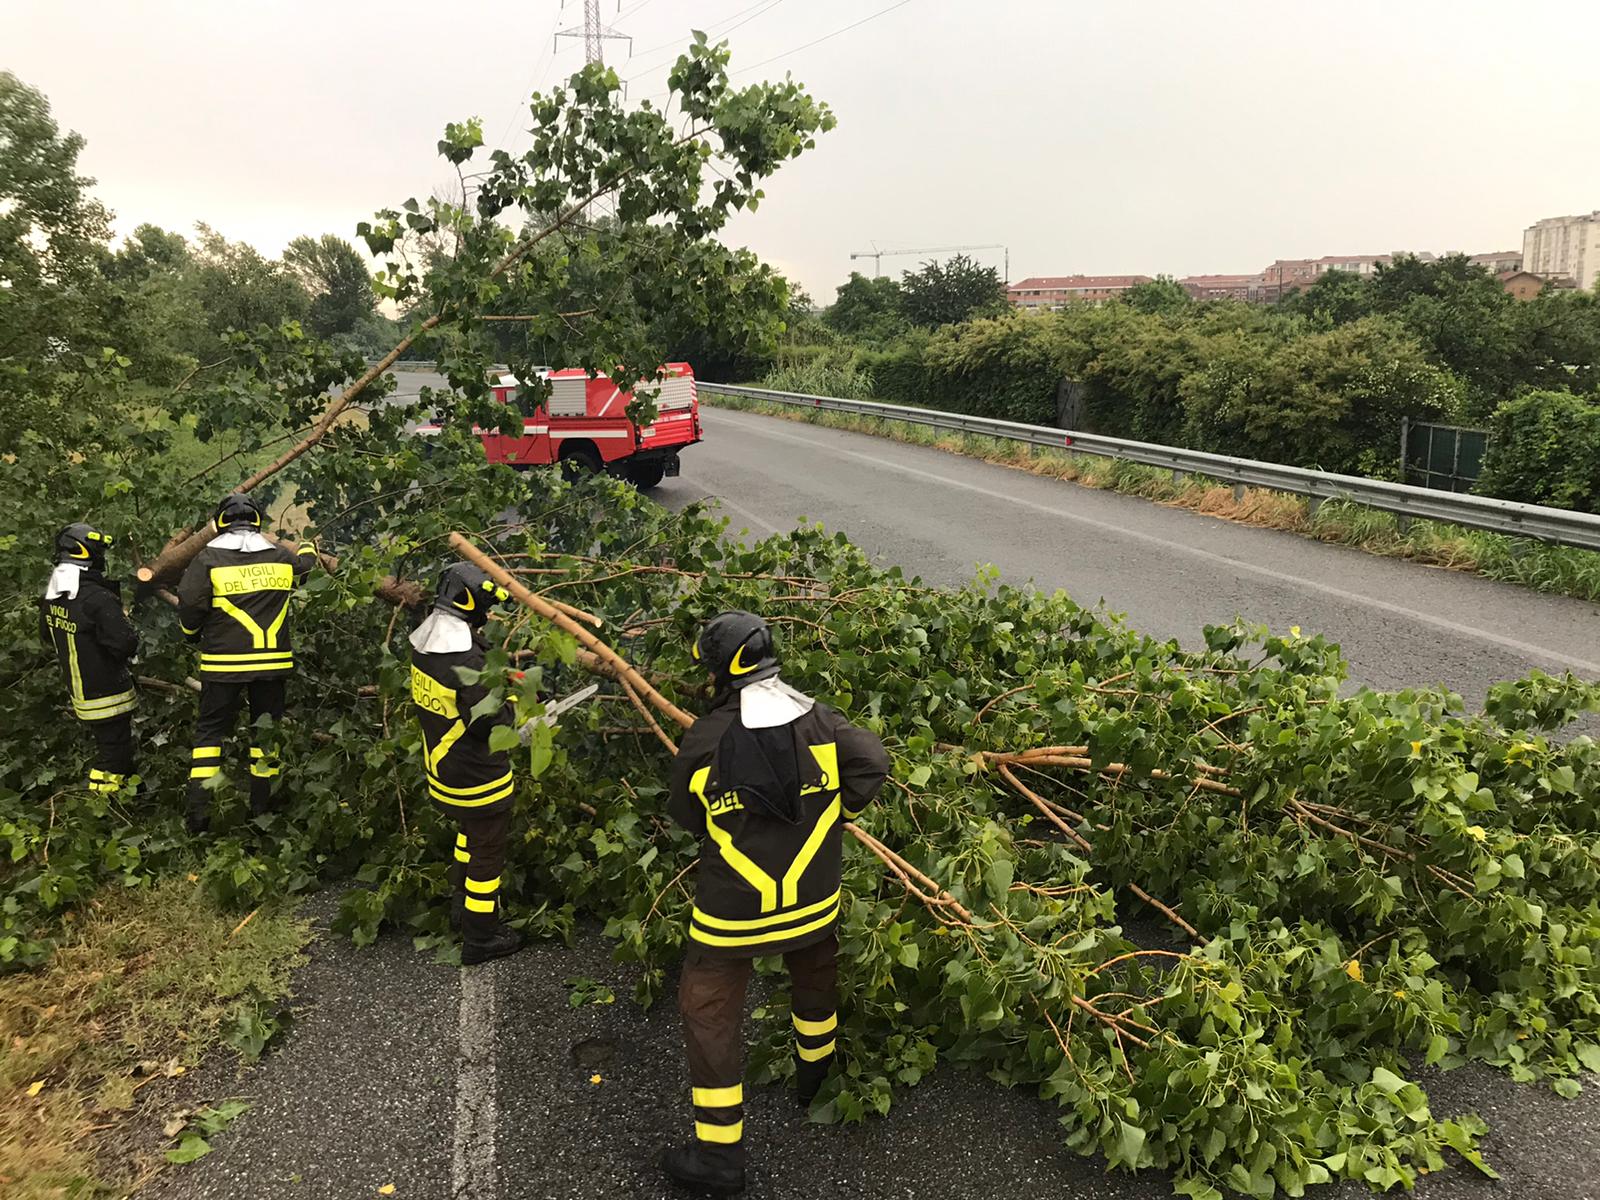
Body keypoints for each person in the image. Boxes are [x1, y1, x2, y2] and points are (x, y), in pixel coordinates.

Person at [663, 611, 890, 1196]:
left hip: (731, 914)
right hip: (813, 903)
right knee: (814, 978)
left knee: (708, 1008)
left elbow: (687, 814)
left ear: (719, 669)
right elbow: (872, 762)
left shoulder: (708, 739)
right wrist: (833, 809)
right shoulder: (819, 720)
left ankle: (718, 1157)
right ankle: (816, 1079)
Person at [176, 493, 317, 832]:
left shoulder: (207, 558)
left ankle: (199, 817)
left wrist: (190, 633)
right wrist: (309, 546)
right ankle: (262, 814)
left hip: (223, 665)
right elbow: (307, 570)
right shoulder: (281, 556)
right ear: (257, 521)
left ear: (220, 523)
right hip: (272, 666)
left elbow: (190, 604)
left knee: (210, 736)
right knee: (266, 738)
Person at [409, 563, 526, 966]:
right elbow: (490, 725)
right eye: (485, 608)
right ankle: (481, 935)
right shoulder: (468, 663)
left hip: (444, 772)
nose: (487, 617)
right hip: (478, 778)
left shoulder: (424, 646)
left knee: (468, 837)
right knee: (486, 856)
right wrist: (512, 707)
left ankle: (460, 908)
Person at [40, 523, 141, 793]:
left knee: (114, 748)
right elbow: (125, 642)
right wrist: (124, 621)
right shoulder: (96, 598)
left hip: (81, 693)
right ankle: (103, 806)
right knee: (114, 758)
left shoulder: (54, 594)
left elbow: (46, 634)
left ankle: (132, 797)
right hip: (107, 695)